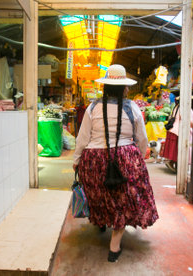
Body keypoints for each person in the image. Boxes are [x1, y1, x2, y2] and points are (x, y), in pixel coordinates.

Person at [72, 64, 159, 262]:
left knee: (100, 193)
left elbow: (82, 138)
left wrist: (77, 160)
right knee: (122, 200)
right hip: (124, 158)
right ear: (124, 88)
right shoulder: (133, 108)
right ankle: (114, 247)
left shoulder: (92, 107)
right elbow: (142, 138)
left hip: (93, 161)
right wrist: (139, 156)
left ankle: (101, 220)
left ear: (105, 87)